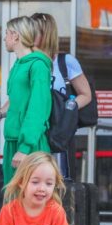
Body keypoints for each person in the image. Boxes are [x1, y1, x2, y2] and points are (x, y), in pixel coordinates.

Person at [0, 16, 52, 184]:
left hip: (30, 146)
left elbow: (38, 109)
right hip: (14, 142)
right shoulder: (19, 64)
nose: (4, 38)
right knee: (12, 201)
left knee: (31, 203)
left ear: (16, 36)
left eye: (6, 33)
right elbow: (17, 101)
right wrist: (0, 114)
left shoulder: (38, 66)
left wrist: (25, 148)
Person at [31, 12, 94, 179]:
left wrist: (69, 107)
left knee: (59, 181)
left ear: (45, 34)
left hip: (59, 132)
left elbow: (86, 94)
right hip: (33, 130)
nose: (28, 34)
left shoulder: (65, 61)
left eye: (33, 31)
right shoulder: (27, 62)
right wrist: (1, 112)